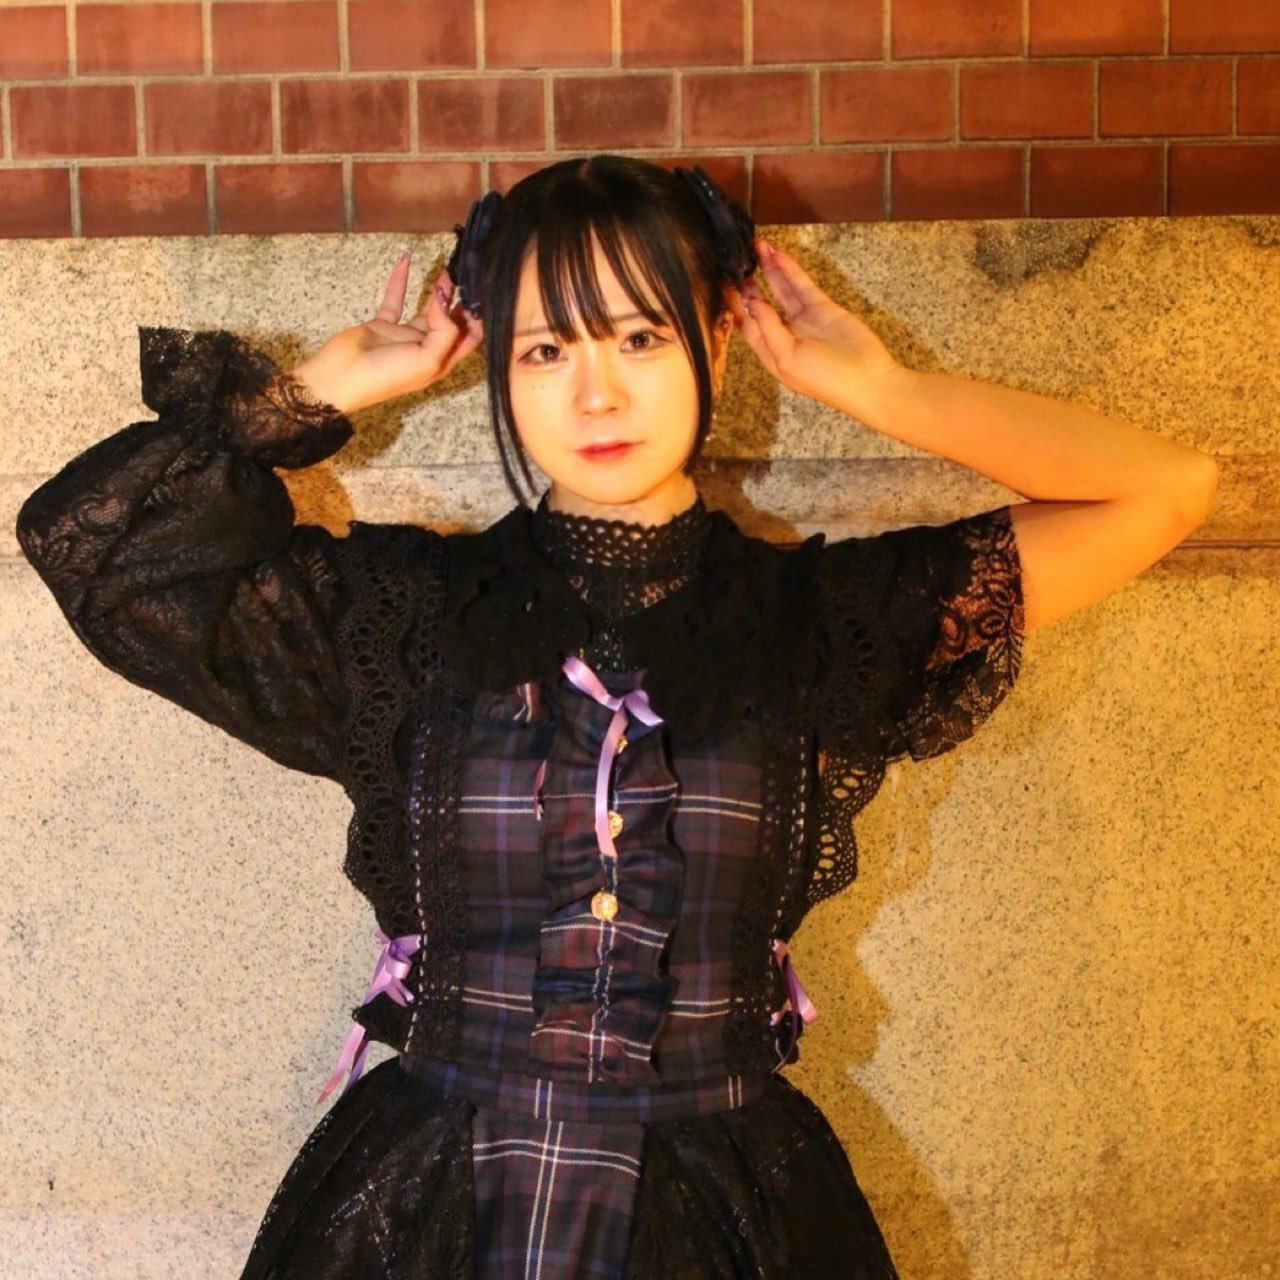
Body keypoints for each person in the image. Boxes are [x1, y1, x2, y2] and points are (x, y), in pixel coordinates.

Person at [14, 154, 1215, 1278]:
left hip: (726, 1207)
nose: (596, 391)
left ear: (720, 341)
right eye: (544, 349)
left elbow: (1162, 490)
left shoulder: (821, 622)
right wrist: (332, 383)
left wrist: (878, 388)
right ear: (494, 366)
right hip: (428, 1204)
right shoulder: (401, 615)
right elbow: (95, 547)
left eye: (641, 336)